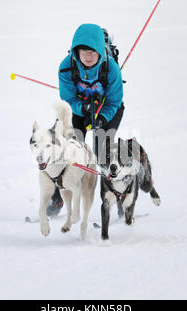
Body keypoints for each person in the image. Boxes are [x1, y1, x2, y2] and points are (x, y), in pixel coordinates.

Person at [46, 23, 125, 216]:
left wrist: (102, 118)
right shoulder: (66, 67)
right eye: (84, 51)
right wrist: (82, 108)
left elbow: (115, 101)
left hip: (108, 110)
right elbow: (67, 100)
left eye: (93, 51)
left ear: (100, 52)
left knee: (103, 152)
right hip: (77, 112)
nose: (88, 56)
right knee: (66, 151)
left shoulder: (112, 69)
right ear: (76, 51)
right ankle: (57, 200)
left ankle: (121, 200)